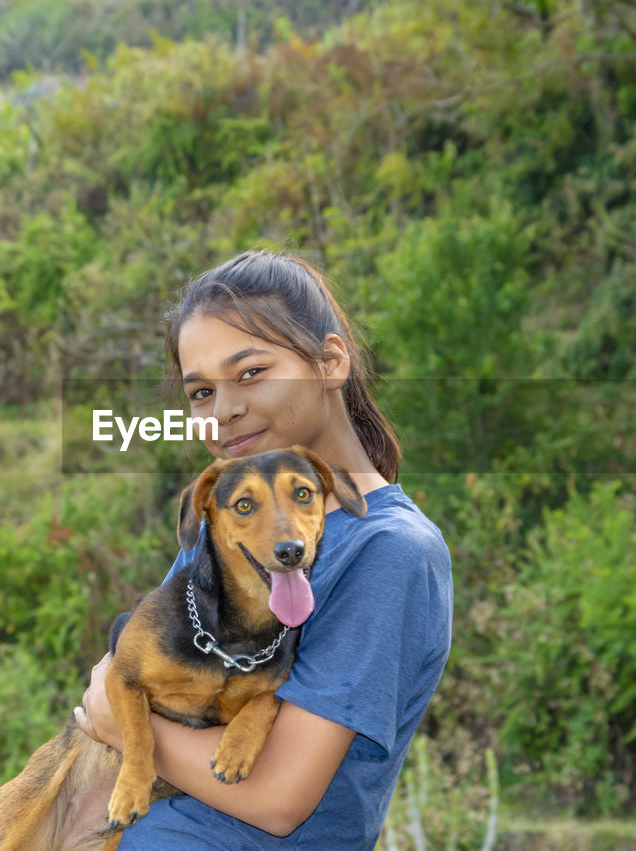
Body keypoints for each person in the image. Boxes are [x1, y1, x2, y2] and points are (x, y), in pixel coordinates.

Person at [72, 249, 453, 848]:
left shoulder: (387, 551)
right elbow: (141, 678)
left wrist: (118, 725)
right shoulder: (228, 520)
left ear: (330, 363)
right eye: (200, 393)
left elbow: (280, 800)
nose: (224, 411)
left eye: (250, 373)